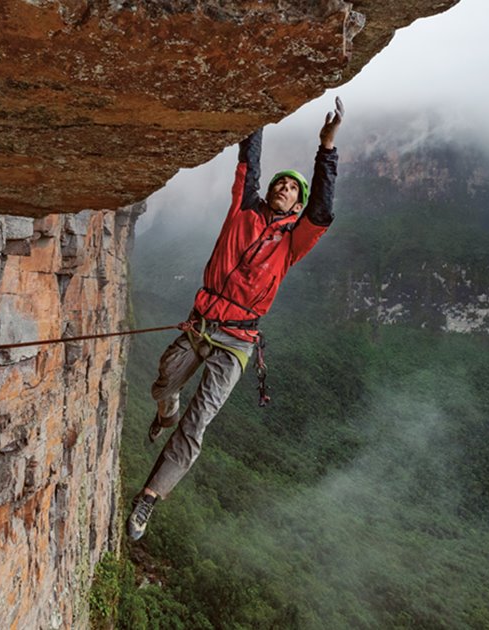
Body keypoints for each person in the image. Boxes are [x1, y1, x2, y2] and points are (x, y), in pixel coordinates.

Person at [128, 97, 345, 540]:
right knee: (165, 381)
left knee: (199, 420)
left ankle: (148, 497)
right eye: (280, 185)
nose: (284, 190)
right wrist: (263, 106)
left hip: (236, 341)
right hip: (202, 321)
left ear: (296, 204)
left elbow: (321, 210)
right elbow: (249, 160)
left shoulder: (293, 242)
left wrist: (327, 147)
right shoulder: (242, 210)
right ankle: (165, 407)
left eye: (292, 190)